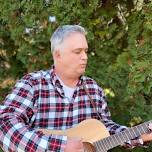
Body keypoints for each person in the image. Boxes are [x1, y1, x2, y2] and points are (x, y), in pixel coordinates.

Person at [0, 25, 151, 152]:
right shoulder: (32, 84)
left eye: (85, 51)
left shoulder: (93, 89)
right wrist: (61, 146)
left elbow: (105, 130)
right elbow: (5, 124)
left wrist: (138, 135)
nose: (85, 57)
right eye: (78, 52)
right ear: (58, 55)